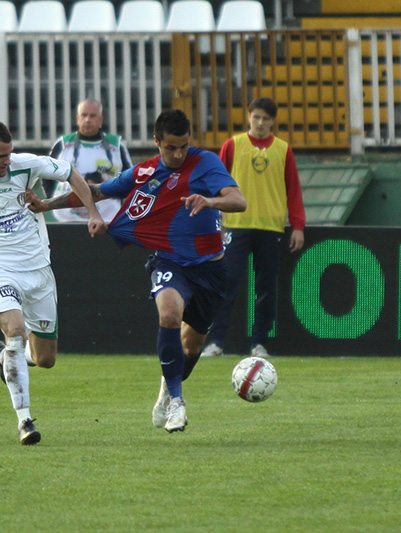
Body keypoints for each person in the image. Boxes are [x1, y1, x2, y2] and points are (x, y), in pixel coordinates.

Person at [27, 109, 246, 434]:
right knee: (169, 313)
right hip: (170, 262)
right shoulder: (145, 171)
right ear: (157, 141)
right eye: (170, 147)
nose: (178, 154)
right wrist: (47, 205)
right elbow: (97, 191)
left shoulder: (206, 163)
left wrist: (210, 201)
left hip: (211, 269)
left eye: (183, 146)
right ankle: (177, 401)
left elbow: (239, 200)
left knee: (191, 348)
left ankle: (167, 387)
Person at [0, 118, 105, 446]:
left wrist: (93, 212)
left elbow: (70, 173)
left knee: (45, 359)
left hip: (38, 270)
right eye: (1, 156)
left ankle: (6, 358)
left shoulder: (24, 165)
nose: (8, 161)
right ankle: (24, 420)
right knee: (15, 331)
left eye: (10, 153)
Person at [201, 97, 306, 359]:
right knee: (227, 283)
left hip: (270, 227)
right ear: (248, 116)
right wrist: (215, 222)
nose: (260, 123)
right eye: (256, 117)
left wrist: (298, 225)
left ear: (273, 121)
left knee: (266, 288)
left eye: (265, 119)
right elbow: (215, 185)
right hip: (236, 224)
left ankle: (259, 343)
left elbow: (293, 189)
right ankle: (216, 341)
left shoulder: (283, 150)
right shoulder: (232, 145)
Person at [46, 98, 133, 223]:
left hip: (106, 219)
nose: (87, 120)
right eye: (84, 115)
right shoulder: (63, 143)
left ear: (100, 119)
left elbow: (129, 181)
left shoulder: (117, 146)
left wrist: (104, 187)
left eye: (92, 116)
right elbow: (46, 174)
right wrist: (53, 198)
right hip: (66, 219)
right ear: (78, 118)